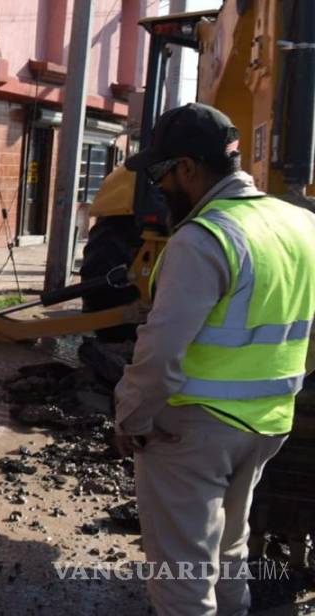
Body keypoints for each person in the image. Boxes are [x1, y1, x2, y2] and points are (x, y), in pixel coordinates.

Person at [113, 103, 315, 615]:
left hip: (193, 430)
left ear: (188, 167)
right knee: (227, 548)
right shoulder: (302, 224)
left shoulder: (203, 238)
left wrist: (132, 416)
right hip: (270, 420)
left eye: (161, 172)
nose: (159, 185)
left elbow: (161, 349)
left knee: (182, 573)